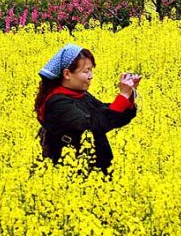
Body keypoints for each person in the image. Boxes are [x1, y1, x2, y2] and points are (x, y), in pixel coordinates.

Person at [35, 43, 141, 173]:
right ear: (67, 74)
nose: (91, 76)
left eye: (91, 70)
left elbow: (107, 114)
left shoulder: (81, 95)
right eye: (86, 71)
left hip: (94, 171)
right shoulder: (57, 103)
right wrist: (123, 95)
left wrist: (128, 94)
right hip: (74, 173)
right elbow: (92, 125)